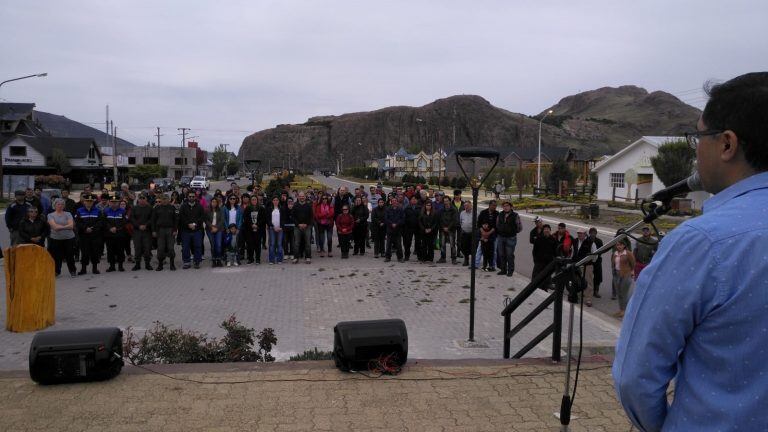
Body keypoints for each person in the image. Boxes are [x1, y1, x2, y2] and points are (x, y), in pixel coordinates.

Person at [614, 72, 768, 431]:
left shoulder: (703, 243)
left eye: (698, 136)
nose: (695, 148)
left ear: (727, 144)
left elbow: (635, 377)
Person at [46, 198, 77, 277]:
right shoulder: (50, 215)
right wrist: (65, 226)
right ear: (55, 205)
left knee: (70, 255)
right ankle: (57, 271)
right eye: (58, 204)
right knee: (57, 256)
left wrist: (60, 227)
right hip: (56, 239)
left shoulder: (68, 214)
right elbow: (54, 227)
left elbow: (71, 226)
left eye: (62, 204)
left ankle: (72, 270)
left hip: (69, 238)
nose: (60, 206)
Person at [75, 194, 103, 274]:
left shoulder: (97, 210)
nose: (89, 203)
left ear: (93, 202)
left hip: (95, 235)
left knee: (95, 252)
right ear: (84, 202)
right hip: (84, 235)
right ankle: (83, 269)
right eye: (87, 201)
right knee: (84, 252)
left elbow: (100, 222)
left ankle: (95, 268)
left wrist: (92, 228)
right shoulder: (79, 210)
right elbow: (77, 222)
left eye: (91, 201)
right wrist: (85, 228)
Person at [179, 191, 206, 269]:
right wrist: (188, 224)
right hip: (186, 230)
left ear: (195, 197)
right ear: (188, 197)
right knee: (185, 247)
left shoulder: (199, 206)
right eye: (190, 196)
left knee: (198, 246)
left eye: (193, 196)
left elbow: (202, 217)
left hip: (197, 230)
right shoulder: (183, 206)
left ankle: (197, 261)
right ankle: (186, 262)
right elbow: (181, 217)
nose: (191, 198)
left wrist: (195, 224)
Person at [152, 193, 178, 271]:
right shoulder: (157, 208)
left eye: (166, 198)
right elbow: (153, 220)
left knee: (170, 248)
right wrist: (153, 231)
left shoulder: (172, 208)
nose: (164, 200)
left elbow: (176, 220)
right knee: (160, 248)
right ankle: (160, 265)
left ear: (169, 199)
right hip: (160, 230)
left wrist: (175, 230)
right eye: (163, 199)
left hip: (170, 230)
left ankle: (172, 264)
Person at [496, 201, 522, 276]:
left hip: (511, 238)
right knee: (501, 254)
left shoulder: (515, 215)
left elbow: (519, 227)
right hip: (501, 237)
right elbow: (497, 224)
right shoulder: (500, 214)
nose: (506, 207)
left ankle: (510, 271)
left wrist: (512, 232)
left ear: (511, 207)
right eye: (504, 206)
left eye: (507, 206)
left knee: (509, 255)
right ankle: (503, 269)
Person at [103, 196, 128, 272]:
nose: (114, 204)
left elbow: (124, 222)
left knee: (120, 250)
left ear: (118, 203)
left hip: (120, 234)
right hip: (109, 234)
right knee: (110, 250)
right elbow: (104, 221)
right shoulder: (106, 211)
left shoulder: (123, 211)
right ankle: (112, 266)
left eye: (115, 202)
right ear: (109, 203)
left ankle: (120, 266)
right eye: (112, 202)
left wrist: (116, 228)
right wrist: (110, 228)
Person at [130, 193, 154, 271]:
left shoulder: (150, 208)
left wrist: (146, 225)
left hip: (147, 231)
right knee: (137, 248)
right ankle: (137, 264)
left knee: (147, 248)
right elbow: (132, 219)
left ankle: (147, 264)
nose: (142, 200)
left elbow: (152, 219)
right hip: (137, 231)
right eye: (140, 198)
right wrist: (138, 226)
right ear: (138, 199)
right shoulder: (134, 208)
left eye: (144, 198)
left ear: (146, 199)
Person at [573, 229, 597, 306]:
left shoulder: (590, 242)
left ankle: (588, 299)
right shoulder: (575, 241)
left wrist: (591, 262)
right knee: (577, 281)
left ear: (585, 234)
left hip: (588, 265)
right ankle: (578, 296)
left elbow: (595, 254)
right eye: (578, 233)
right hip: (577, 264)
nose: (579, 235)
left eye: (581, 233)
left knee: (588, 282)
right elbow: (573, 251)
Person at [611, 241, 635, 316]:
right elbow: (613, 264)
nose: (619, 246)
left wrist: (632, 271)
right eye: (617, 245)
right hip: (616, 275)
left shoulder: (628, 253)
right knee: (619, 293)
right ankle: (621, 310)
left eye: (621, 245)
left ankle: (626, 311)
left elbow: (633, 263)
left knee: (624, 293)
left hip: (626, 274)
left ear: (624, 245)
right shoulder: (614, 254)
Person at [243, 195, 266, 264]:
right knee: (250, 244)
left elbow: (263, 218)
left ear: (257, 200)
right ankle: (251, 258)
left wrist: (257, 225)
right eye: (252, 200)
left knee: (257, 244)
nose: (254, 201)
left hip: (258, 229)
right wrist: (251, 225)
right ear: (250, 200)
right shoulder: (247, 208)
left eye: (255, 199)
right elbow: (245, 218)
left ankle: (258, 259)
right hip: (249, 229)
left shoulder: (261, 208)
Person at [292, 191, 313, 264]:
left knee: (307, 243)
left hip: (307, 227)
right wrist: (299, 224)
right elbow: (293, 217)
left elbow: (311, 217)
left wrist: (306, 224)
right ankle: (295, 258)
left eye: (303, 196)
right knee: (296, 243)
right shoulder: (295, 205)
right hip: (297, 227)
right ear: (298, 197)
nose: (301, 197)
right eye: (300, 196)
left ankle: (308, 257)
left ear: (305, 197)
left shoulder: (309, 206)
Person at [476, 200, 499, 270]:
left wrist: (488, 233)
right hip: (483, 234)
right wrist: (483, 232)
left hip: (493, 235)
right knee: (480, 250)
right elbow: (479, 224)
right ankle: (476, 264)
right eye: (493, 205)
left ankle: (492, 266)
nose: (494, 207)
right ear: (489, 205)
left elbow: (496, 226)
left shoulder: (497, 214)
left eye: (495, 205)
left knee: (493, 251)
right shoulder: (483, 212)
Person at [437, 196, 458, 264]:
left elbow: (454, 220)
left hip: (451, 229)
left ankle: (453, 258)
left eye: (447, 201)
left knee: (452, 245)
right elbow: (439, 219)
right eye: (444, 201)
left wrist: (448, 228)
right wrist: (443, 227)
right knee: (442, 244)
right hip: (442, 229)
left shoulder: (454, 209)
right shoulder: (441, 210)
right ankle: (443, 258)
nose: (445, 202)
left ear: (449, 201)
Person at [206, 197, 226, 267]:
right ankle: (214, 260)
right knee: (213, 245)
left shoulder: (220, 210)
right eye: (212, 202)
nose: (214, 203)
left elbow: (222, 220)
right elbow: (206, 220)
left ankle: (219, 259)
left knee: (218, 245)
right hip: (210, 229)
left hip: (219, 229)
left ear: (217, 203)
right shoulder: (207, 210)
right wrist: (212, 227)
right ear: (211, 203)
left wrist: (216, 228)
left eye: (215, 202)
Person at [266, 196, 286, 264]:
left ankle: (279, 259)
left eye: (277, 200)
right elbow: (268, 220)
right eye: (274, 200)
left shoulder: (282, 209)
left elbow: (283, 219)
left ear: (278, 201)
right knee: (272, 244)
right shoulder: (269, 209)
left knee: (279, 244)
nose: (275, 201)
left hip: (280, 229)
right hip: (272, 229)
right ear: (272, 201)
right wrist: (272, 226)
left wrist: (281, 227)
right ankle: (271, 260)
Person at [403, 196, 421, 261]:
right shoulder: (407, 208)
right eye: (412, 199)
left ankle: (419, 256)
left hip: (418, 228)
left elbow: (421, 218)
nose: (414, 200)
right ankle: (407, 256)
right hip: (408, 228)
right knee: (408, 243)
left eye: (415, 199)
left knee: (418, 243)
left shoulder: (420, 208)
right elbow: (404, 218)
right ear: (410, 200)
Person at [588, 227, 604, 298]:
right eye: (591, 233)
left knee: (598, 276)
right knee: (588, 276)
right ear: (589, 233)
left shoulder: (599, 241)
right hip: (588, 261)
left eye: (594, 233)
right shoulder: (587, 240)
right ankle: (588, 291)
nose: (593, 235)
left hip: (597, 261)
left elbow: (602, 251)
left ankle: (596, 291)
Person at [458, 201, 474, 266]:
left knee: (473, 247)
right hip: (464, 233)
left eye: (467, 205)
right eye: (465, 206)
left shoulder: (475, 213)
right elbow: (461, 221)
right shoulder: (462, 213)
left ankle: (473, 261)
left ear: (471, 206)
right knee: (464, 247)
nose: (466, 207)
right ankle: (466, 259)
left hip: (472, 233)